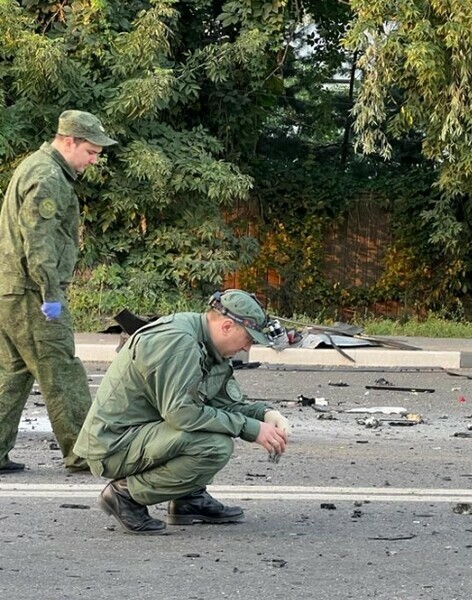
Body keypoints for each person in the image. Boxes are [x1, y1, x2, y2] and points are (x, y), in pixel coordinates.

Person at [74, 289, 292, 534]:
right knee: (213, 446)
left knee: (212, 430)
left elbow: (222, 403)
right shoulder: (180, 342)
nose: (247, 348)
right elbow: (182, 414)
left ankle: (188, 499)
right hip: (113, 445)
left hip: (142, 434)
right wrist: (250, 429)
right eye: (249, 339)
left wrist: (265, 415)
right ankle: (125, 495)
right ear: (227, 326)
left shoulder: (210, 345)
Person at [0, 110, 117, 474]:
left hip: (12, 290)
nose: (94, 160)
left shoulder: (36, 167)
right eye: (91, 152)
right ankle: (85, 453)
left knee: (13, 373)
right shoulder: (48, 176)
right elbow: (39, 240)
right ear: (69, 141)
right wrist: (50, 293)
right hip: (33, 293)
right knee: (61, 371)